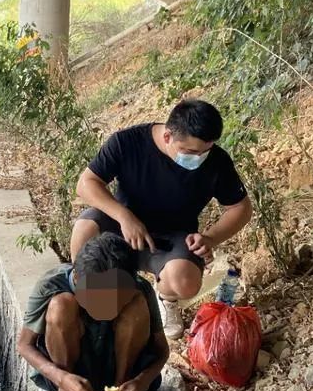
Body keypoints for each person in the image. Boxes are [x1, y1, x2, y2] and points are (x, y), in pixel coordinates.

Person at [72, 99, 253, 340]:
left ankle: (166, 298)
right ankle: (84, 294)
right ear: (167, 136)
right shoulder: (127, 142)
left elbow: (240, 207)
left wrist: (210, 237)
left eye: (204, 151)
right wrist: (124, 216)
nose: (198, 158)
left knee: (185, 281)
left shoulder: (217, 162)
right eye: (189, 152)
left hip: (173, 236)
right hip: (120, 225)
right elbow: (86, 184)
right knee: (85, 228)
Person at [16, 233, 169, 391]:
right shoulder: (51, 284)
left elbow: (162, 350)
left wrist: (141, 382)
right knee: (61, 306)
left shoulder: (138, 289)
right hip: (71, 366)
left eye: (118, 301)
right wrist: (63, 379)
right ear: (78, 280)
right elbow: (24, 345)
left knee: (137, 305)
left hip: (118, 364)